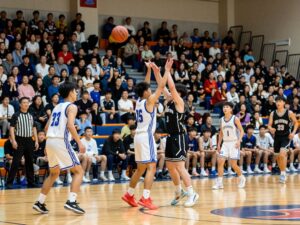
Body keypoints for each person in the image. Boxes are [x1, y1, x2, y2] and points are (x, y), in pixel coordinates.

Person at [121, 59, 171, 210]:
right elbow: (161, 86)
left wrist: (148, 69)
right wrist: (166, 70)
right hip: (146, 136)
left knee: (141, 168)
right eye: (149, 89)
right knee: (152, 167)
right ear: (146, 92)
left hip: (138, 136)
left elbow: (145, 84)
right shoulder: (150, 101)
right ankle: (146, 198)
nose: (151, 89)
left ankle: (129, 194)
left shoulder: (139, 101)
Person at [33, 82, 86, 214]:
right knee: (79, 171)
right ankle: (71, 201)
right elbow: (70, 125)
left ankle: (40, 202)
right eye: (75, 91)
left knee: (54, 173)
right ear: (70, 92)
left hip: (50, 140)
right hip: (61, 141)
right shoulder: (72, 107)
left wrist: (47, 145)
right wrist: (80, 143)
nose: (76, 93)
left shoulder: (56, 107)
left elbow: (46, 128)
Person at [155, 61, 199, 207]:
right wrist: (157, 71)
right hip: (170, 137)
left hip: (180, 137)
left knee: (180, 167)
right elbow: (162, 86)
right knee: (170, 166)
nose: (171, 92)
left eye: (174, 91)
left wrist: (167, 70)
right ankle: (179, 192)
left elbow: (171, 87)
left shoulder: (180, 102)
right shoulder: (169, 101)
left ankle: (192, 194)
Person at [6, 97, 39, 189]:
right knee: (15, 162)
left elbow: (34, 128)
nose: (26, 104)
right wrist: (13, 140)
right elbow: (12, 128)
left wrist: (36, 140)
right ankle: (9, 182)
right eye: (24, 102)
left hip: (29, 140)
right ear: (20, 104)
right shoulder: (16, 115)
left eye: (27, 102)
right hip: (19, 140)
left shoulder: (31, 115)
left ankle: (31, 182)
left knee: (29, 162)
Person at [212, 102, 246, 190]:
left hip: (234, 143)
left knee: (233, 165)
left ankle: (242, 178)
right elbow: (221, 133)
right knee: (220, 161)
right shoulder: (221, 119)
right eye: (224, 107)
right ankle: (219, 183)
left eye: (227, 107)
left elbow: (242, 131)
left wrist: (239, 141)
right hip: (225, 143)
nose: (225, 108)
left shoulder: (235, 119)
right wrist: (219, 144)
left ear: (231, 109)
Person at [268, 96, 298, 183]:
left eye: (280, 101)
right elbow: (269, 125)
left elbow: (296, 123)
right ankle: (282, 171)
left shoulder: (289, 113)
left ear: (284, 103)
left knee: (282, 154)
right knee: (278, 157)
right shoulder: (273, 113)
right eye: (277, 101)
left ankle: (283, 174)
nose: (278, 103)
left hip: (286, 137)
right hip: (277, 137)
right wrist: (270, 129)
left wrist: (293, 133)